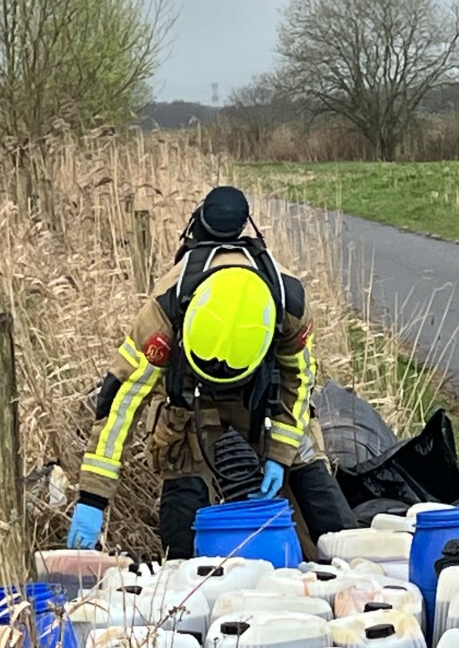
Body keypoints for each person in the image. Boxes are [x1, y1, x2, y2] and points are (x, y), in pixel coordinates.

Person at [66, 186, 356, 557]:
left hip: (265, 401)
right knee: (183, 537)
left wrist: (280, 455)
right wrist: (93, 497)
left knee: (326, 518)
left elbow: (297, 383)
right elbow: (121, 403)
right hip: (191, 404)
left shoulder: (288, 303)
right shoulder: (165, 311)